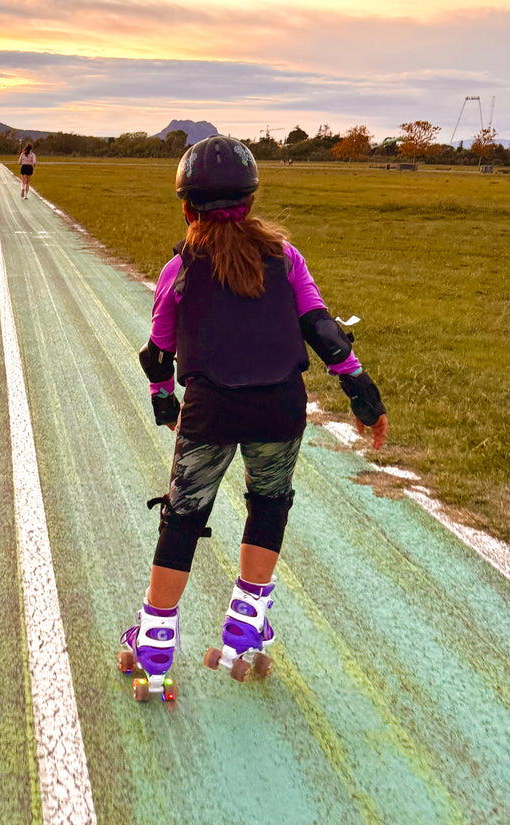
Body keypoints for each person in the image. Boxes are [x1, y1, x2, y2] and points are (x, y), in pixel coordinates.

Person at [123, 136, 388, 699]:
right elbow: (322, 330)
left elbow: (158, 351)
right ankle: (244, 632)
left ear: (187, 205)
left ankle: (154, 644)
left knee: (184, 517)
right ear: (250, 198)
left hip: (211, 409)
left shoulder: (180, 267)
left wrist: (163, 400)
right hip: (279, 405)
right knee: (268, 506)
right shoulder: (285, 256)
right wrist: (361, 393)